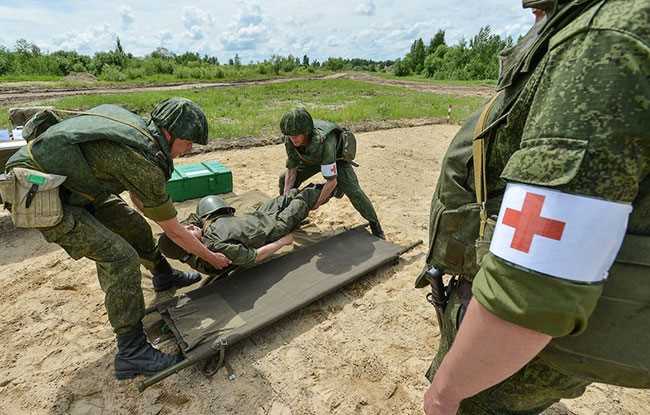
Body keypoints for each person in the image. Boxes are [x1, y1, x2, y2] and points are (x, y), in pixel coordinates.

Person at [420, 0, 650, 414]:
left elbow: (530, 289)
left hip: (526, 339)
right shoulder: (590, 25)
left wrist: (447, 392)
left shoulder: (600, 40)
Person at [4, 97, 232, 380]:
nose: (189, 151)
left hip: (76, 185)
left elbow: (141, 200)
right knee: (119, 257)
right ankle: (132, 351)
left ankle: (163, 275)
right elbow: (171, 229)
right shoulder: (141, 160)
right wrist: (210, 257)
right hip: (40, 193)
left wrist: (175, 226)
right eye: (188, 143)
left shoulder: (140, 132)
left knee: (133, 226)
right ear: (170, 134)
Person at [158, 184, 325, 274]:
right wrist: (282, 242)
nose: (189, 226)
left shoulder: (202, 236)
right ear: (188, 246)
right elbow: (254, 257)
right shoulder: (217, 248)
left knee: (292, 194)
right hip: (273, 228)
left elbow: (189, 225)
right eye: (186, 232)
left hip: (257, 216)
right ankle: (336, 183)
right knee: (306, 197)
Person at [277, 108, 385, 239]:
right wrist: (286, 198)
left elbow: (331, 180)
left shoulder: (325, 141)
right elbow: (292, 169)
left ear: (305, 132)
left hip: (336, 159)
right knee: (284, 180)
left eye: (296, 135)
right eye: (290, 135)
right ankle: (292, 216)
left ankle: (375, 225)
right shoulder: (290, 138)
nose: (293, 139)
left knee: (354, 191)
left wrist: (317, 202)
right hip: (312, 158)